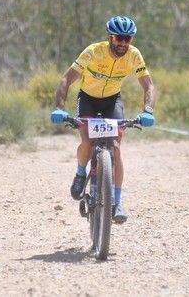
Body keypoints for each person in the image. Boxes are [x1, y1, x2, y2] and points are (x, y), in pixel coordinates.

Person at [50, 16, 156, 224]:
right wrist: (59, 108)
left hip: (111, 102)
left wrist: (148, 110)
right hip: (87, 100)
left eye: (128, 39)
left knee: (115, 148)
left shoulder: (134, 56)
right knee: (88, 142)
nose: (123, 43)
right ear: (110, 37)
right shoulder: (93, 52)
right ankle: (81, 173)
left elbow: (149, 85)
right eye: (119, 38)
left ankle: (117, 202)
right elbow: (66, 79)